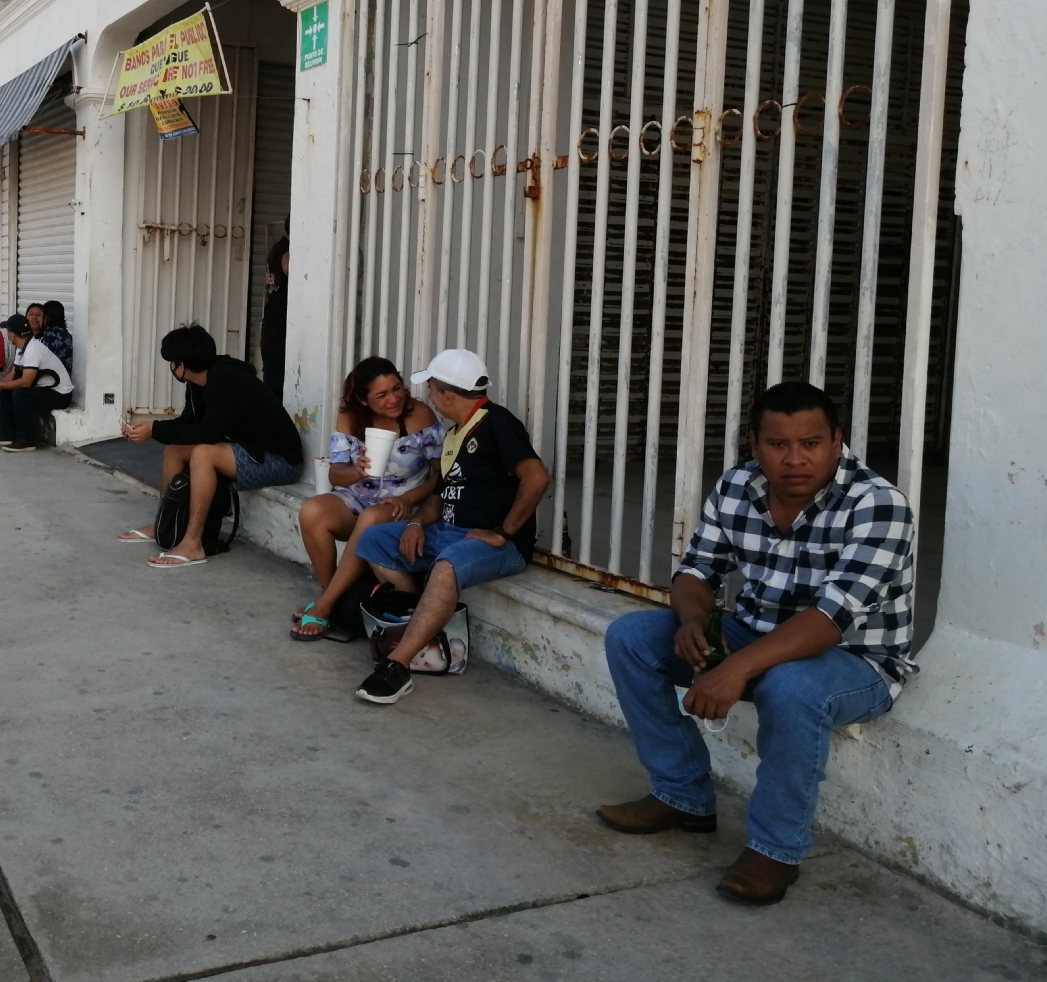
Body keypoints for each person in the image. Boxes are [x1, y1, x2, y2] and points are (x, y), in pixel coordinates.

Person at [596, 382, 915, 906]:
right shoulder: (737, 485)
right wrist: (693, 620)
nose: (794, 460)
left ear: (837, 441)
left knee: (791, 685)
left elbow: (829, 621)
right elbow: (697, 569)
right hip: (758, 633)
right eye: (778, 445)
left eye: (811, 444)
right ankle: (682, 794)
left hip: (857, 661)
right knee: (631, 637)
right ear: (754, 444)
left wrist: (736, 667)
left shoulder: (878, 505)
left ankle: (775, 850)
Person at [351, 348, 549, 705]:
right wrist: (415, 522)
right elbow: (443, 493)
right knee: (375, 538)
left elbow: (536, 478)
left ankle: (397, 665)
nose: (428, 395)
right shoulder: (456, 431)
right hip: (448, 529)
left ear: (447, 394)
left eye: (431, 387)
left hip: (494, 544)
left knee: (449, 564)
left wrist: (504, 533)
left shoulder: (497, 422)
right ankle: (419, 625)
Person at [117, 324, 303, 569]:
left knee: (204, 453)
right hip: (248, 448)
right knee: (174, 449)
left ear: (182, 366)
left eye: (172, 362)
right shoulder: (199, 383)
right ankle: (165, 523)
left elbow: (209, 432)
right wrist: (151, 430)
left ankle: (193, 543)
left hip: (279, 460)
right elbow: (188, 424)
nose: (172, 368)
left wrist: (156, 429)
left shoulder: (226, 379)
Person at [290, 357, 443, 640]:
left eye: (397, 388)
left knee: (372, 519)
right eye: (382, 395)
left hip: (404, 504)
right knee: (312, 511)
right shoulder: (350, 418)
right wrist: (356, 471)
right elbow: (335, 475)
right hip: (358, 498)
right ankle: (331, 599)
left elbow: (441, 475)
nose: (394, 399)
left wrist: (409, 498)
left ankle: (324, 608)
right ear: (362, 399)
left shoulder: (418, 415)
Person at [0, 314, 73, 452]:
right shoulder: (22, 347)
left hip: (60, 395)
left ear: (11, 335)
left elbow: (26, 382)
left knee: (21, 393)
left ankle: (26, 439)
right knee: (6, 388)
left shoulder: (33, 349)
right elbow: (13, 375)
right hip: (44, 390)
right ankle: (6, 433)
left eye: (7, 332)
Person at [260, 235, 289, 402]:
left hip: (275, 334)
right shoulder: (284, 250)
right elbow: (288, 266)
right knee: (277, 396)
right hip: (279, 335)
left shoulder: (277, 248)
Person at [39, 299, 74, 367]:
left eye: (40, 315)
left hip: (52, 376)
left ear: (47, 318)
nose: (39, 318)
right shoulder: (66, 334)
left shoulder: (49, 338)